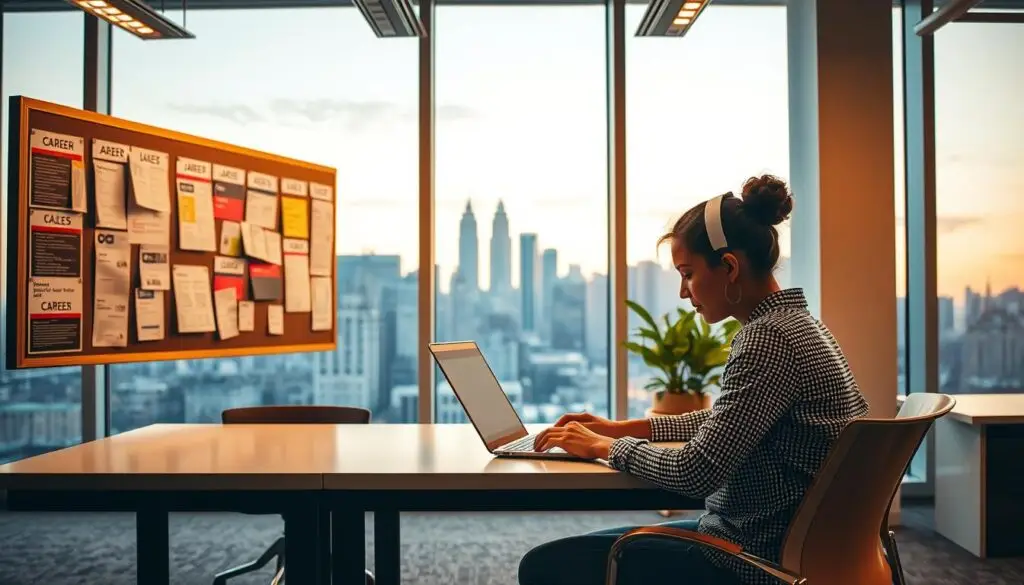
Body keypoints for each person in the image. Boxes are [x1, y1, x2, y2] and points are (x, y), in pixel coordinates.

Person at [519, 174, 870, 585]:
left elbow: (696, 471)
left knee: (544, 566)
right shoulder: (800, 326)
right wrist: (626, 428)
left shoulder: (768, 340)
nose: (685, 292)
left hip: (751, 559)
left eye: (687, 273)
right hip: (788, 545)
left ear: (729, 267)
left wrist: (606, 446)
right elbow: (727, 422)